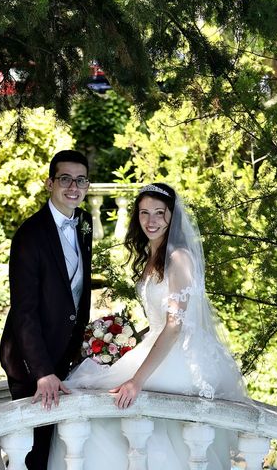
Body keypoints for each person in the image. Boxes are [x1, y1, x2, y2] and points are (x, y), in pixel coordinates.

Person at [47, 183, 247, 470]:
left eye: (159, 213)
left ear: (172, 217)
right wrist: (123, 342)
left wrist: (136, 380)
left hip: (178, 357)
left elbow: (175, 325)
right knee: (88, 397)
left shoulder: (179, 258)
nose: (150, 221)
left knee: (107, 412)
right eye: (144, 213)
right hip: (155, 343)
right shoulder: (152, 257)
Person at [0, 150, 94, 470]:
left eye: (81, 180)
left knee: (61, 447)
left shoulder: (85, 223)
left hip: (66, 357)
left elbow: (77, 291)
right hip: (31, 363)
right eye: (65, 179)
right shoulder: (29, 235)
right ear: (50, 183)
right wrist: (42, 373)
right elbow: (24, 311)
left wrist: (82, 346)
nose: (73, 187)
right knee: (33, 453)